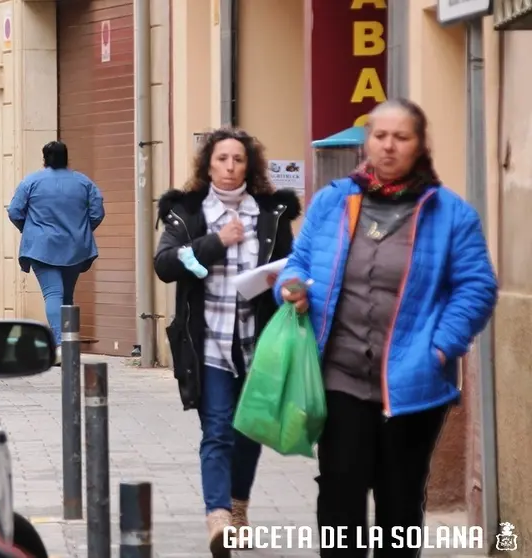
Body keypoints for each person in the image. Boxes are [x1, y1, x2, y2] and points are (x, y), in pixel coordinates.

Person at [274, 98, 498, 556]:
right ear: (366, 142)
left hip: (414, 383)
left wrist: (441, 347)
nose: (389, 146)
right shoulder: (333, 202)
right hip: (338, 376)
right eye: (380, 136)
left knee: (399, 503)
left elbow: (476, 287)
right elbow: (297, 261)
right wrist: (290, 285)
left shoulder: (450, 214)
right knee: (340, 493)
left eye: (401, 137)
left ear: (420, 145)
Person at [153, 127, 301, 557]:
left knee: (249, 429)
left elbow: (290, 267)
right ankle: (217, 517)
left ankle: (239, 508)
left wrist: (289, 287)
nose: (231, 166)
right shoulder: (186, 212)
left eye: (238, 159)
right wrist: (217, 241)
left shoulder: (272, 213)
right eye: (222, 159)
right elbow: (165, 264)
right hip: (209, 343)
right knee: (217, 428)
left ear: (249, 165)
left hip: (258, 342)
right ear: (209, 164)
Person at [7, 141, 104, 360]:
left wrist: (31, 231)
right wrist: (81, 231)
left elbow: (14, 211)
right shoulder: (83, 182)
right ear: (67, 158)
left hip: (42, 247)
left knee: (53, 293)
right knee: (67, 295)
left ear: (44, 158)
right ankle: (68, 342)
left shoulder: (31, 181)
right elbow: (97, 212)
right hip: (75, 247)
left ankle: (61, 345)